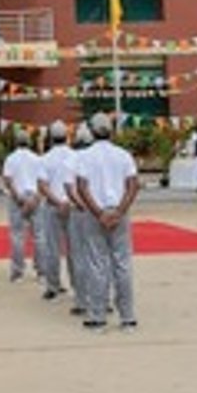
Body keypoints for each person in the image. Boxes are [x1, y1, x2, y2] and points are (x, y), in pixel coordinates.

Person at [73, 115, 140, 331]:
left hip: (96, 213)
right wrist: (119, 211)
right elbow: (133, 185)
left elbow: (82, 187)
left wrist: (99, 213)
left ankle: (98, 317)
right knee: (122, 264)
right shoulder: (123, 155)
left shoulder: (85, 157)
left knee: (97, 264)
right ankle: (127, 317)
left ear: (91, 132)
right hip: (118, 211)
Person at [35, 120, 74, 301]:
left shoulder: (45, 159)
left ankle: (53, 286)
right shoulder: (75, 157)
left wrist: (57, 202)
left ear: (50, 137)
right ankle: (78, 285)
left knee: (52, 248)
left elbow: (42, 186)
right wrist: (66, 202)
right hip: (73, 206)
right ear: (67, 136)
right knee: (75, 248)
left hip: (52, 205)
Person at [65, 122, 98, 319]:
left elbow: (70, 188)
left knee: (78, 256)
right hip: (99, 210)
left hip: (79, 209)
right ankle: (104, 298)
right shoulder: (98, 157)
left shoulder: (72, 159)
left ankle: (82, 301)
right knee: (101, 257)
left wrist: (81, 204)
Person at [0, 129, 41, 283]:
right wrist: (35, 198)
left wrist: (18, 198)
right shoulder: (37, 159)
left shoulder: (11, 159)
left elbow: (7, 180)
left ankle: (18, 272)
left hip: (18, 198)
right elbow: (42, 181)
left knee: (17, 236)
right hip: (34, 197)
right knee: (39, 237)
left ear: (16, 142)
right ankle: (41, 271)